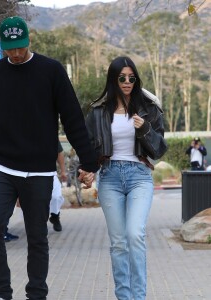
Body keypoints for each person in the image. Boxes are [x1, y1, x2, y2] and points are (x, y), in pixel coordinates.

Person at [0, 16, 98, 300]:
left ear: (28, 41)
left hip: (39, 169)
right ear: (3, 46)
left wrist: (88, 162)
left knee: (37, 236)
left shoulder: (51, 71)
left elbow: (72, 120)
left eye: (20, 47)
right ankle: (1, 292)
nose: (16, 53)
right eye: (10, 49)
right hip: (1, 164)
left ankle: (36, 293)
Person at [86, 56, 168, 300]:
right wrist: (86, 168)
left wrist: (144, 130)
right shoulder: (99, 111)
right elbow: (88, 146)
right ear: (113, 79)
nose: (127, 82)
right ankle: (124, 297)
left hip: (139, 177)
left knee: (135, 234)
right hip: (109, 177)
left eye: (132, 78)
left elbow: (160, 148)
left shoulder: (149, 107)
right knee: (119, 242)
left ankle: (139, 297)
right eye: (122, 77)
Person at [49, 140, 67, 232]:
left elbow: (59, 153)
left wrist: (63, 171)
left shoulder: (50, 132)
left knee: (56, 196)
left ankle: (55, 216)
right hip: (30, 173)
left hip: (50, 172)